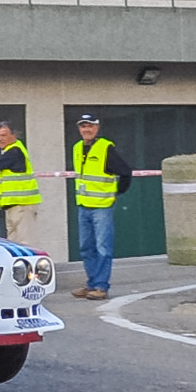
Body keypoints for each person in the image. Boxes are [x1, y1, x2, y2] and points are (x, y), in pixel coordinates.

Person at [70, 114, 131, 301]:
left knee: (103, 248)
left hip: (101, 207)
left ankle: (101, 286)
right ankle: (91, 283)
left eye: (90, 126)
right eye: (83, 126)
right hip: (84, 206)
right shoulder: (77, 148)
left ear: (96, 128)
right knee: (86, 247)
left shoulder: (106, 148)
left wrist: (116, 193)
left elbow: (125, 172)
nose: (86, 130)